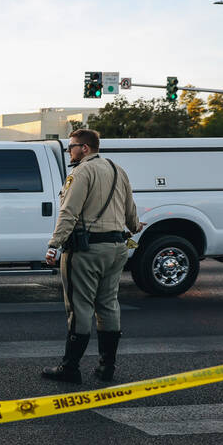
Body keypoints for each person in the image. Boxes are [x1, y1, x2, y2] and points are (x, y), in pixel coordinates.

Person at [43, 129, 142, 383]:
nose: (69, 151)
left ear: (84, 148)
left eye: (71, 146)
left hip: (87, 251)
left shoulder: (81, 172)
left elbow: (69, 212)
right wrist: (134, 226)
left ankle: (70, 367)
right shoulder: (119, 170)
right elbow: (131, 213)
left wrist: (55, 244)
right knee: (108, 304)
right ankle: (106, 367)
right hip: (117, 248)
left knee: (80, 307)